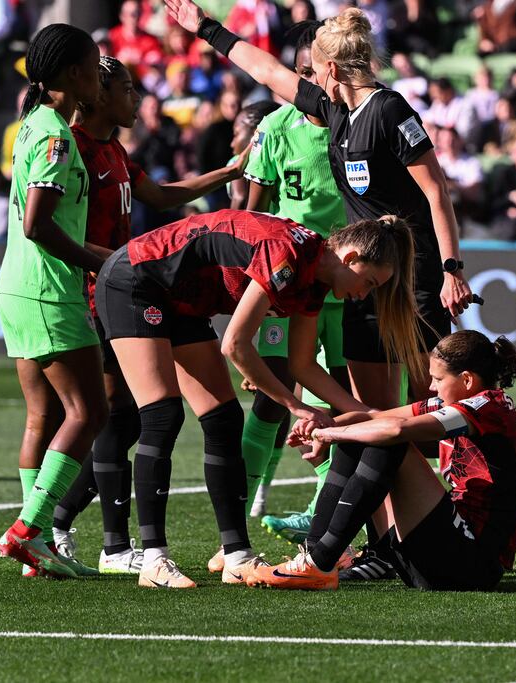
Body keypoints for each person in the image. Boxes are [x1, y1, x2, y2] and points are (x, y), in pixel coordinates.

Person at [166, 1, 473, 406]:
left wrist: (452, 270)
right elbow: (267, 71)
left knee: (431, 410)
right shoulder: (335, 110)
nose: (307, 78)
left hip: (412, 277)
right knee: (375, 414)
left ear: (332, 68)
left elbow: (436, 191)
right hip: (363, 279)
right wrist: (206, 28)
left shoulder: (389, 109)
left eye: (313, 69)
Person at [94, 209, 420, 588]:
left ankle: (236, 557)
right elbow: (236, 344)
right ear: (350, 258)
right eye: (370, 282)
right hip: (134, 281)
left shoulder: (315, 276)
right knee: (163, 415)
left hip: (182, 300)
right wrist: (295, 405)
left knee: (225, 419)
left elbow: (301, 366)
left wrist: (366, 413)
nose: (365, 294)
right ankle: (154, 560)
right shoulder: (288, 255)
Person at [44, 55, 254, 576]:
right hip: (103, 290)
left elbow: (162, 195)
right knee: (123, 414)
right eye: (127, 90)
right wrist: (113, 263)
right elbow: (51, 227)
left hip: (134, 280)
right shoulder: (73, 150)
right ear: (97, 95)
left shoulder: (114, 149)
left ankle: (84, 531)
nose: (137, 98)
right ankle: (106, 542)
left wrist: (227, 173)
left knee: (128, 416)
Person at [245, 330, 516, 591]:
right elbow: (373, 416)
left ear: (467, 380)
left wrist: (333, 434)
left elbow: (396, 430)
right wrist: (323, 425)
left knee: (386, 441)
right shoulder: (454, 402)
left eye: (437, 379)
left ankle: (320, 563)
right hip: (441, 558)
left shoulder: (488, 406)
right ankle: (316, 556)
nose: (431, 387)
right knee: (361, 434)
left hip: (472, 567)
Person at [0, 24, 108, 580]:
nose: (98, 73)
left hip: (17, 286)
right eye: (93, 64)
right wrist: (98, 265)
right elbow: (39, 225)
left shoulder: (37, 124)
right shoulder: (56, 136)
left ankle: (35, 547)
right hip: (47, 290)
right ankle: (27, 531)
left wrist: (111, 258)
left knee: (44, 414)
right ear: (71, 75)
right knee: (90, 411)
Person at [232, 21, 349, 550]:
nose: (306, 84)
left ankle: (323, 510)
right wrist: (245, 291)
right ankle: (244, 497)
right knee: (272, 398)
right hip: (287, 281)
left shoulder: (353, 127)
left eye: (313, 73)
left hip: (346, 284)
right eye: (297, 74)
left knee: (341, 397)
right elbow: (252, 215)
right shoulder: (275, 129)